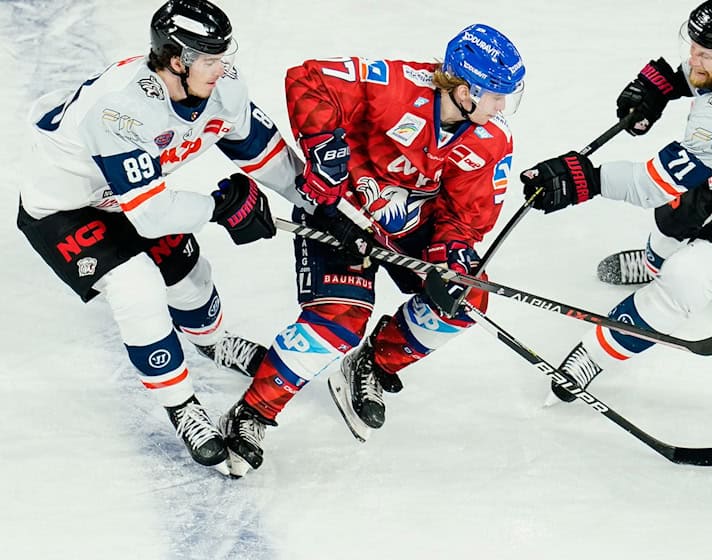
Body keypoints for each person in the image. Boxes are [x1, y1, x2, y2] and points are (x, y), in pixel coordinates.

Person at [219, 23, 525, 477]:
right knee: (338, 322)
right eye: (496, 95)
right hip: (341, 217)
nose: (503, 107)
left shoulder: (489, 139)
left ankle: (373, 362)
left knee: (466, 299)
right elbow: (308, 79)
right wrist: (326, 153)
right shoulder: (395, 86)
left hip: (407, 232)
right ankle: (250, 415)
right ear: (464, 90)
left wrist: (451, 256)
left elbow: (463, 216)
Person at [16, 0, 304, 474]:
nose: (223, 68)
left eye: (222, 56)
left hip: (127, 196)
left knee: (190, 277)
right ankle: (182, 407)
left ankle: (212, 342)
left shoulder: (220, 84)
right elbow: (151, 217)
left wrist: (322, 206)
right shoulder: (120, 111)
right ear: (176, 60)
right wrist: (221, 208)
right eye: (210, 59)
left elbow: (259, 149)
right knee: (138, 286)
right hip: (64, 209)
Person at [519, 0, 712, 402]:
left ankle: (596, 354)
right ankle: (654, 262)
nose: (693, 58)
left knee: (687, 276)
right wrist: (665, 84)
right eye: (692, 47)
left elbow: (648, 184)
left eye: (704, 54)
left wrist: (585, 180)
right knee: (675, 212)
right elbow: (708, 85)